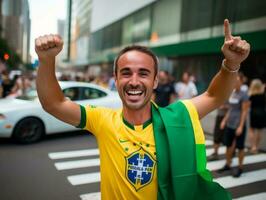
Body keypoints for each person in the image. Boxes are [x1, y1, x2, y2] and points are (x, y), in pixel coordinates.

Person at [35, 19, 250, 199]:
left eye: (144, 73)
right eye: (126, 73)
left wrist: (231, 65)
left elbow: (214, 95)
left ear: (155, 81)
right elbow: (54, 103)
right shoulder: (101, 119)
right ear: (116, 79)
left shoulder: (176, 116)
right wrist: (46, 61)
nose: (134, 81)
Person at [218, 74, 250, 178]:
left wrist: (241, 126)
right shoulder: (232, 93)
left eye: (236, 81)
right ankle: (228, 164)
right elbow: (230, 109)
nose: (234, 83)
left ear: (241, 81)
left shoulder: (244, 94)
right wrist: (224, 120)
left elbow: (245, 112)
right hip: (229, 124)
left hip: (238, 125)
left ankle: (240, 168)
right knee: (228, 145)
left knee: (240, 147)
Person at [248, 79, 266, 154]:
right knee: (259, 131)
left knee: (251, 130)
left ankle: (253, 146)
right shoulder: (263, 95)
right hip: (262, 113)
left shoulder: (251, 95)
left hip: (253, 113)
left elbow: (248, 105)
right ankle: (257, 146)